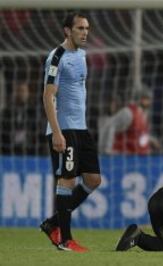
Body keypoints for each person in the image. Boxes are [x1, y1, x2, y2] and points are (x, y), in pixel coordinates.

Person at [40, 12, 102, 253]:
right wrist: (56, 132)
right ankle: (65, 239)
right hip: (63, 128)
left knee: (94, 179)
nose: (85, 32)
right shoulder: (56, 58)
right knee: (67, 180)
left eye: (87, 28)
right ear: (67, 31)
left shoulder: (83, 55)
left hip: (81, 128)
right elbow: (48, 96)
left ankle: (52, 223)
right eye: (80, 28)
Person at [98, 88, 160, 155]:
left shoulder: (144, 115)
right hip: (124, 158)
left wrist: (151, 140)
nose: (149, 102)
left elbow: (139, 135)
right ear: (139, 99)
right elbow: (110, 125)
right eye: (147, 99)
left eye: (150, 99)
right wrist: (107, 149)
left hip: (139, 157)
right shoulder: (129, 112)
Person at [1, 81, 36, 155]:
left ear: (28, 93)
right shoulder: (6, 112)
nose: (20, 94)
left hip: (28, 150)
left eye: (23, 91)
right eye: (18, 90)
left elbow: (36, 133)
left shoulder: (33, 112)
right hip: (8, 150)